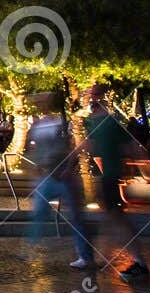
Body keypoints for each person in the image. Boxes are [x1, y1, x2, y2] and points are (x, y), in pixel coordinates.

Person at [85, 93, 150, 281]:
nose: (91, 110)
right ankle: (131, 258)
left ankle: (137, 262)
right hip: (111, 176)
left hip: (110, 177)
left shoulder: (104, 125)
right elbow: (133, 148)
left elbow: (87, 147)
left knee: (116, 219)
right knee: (115, 218)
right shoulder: (109, 125)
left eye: (93, 105)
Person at [26, 104, 97, 269]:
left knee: (75, 217)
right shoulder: (46, 127)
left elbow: (73, 147)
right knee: (53, 213)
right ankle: (31, 243)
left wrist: (68, 167)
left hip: (62, 176)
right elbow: (39, 151)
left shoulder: (60, 127)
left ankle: (85, 256)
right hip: (52, 176)